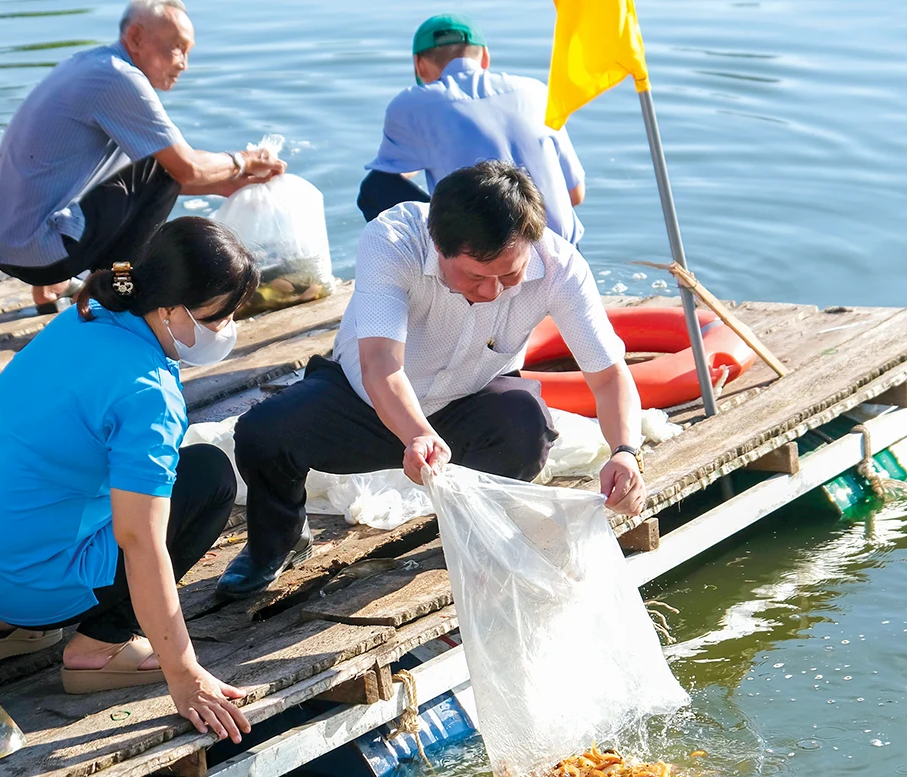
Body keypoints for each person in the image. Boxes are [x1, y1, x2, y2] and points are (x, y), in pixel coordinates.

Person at [218, 161, 645, 599]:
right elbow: (381, 363)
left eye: (510, 275)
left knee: (526, 423)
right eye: (477, 277)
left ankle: (477, 533)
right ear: (438, 245)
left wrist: (626, 452)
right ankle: (280, 541)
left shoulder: (561, 267)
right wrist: (418, 434)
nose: (493, 292)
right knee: (261, 433)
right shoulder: (393, 240)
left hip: (467, 403)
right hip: (364, 399)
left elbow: (609, 375)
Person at [0, 216, 257, 744]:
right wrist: (183, 675)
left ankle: (11, 620)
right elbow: (142, 544)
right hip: (31, 582)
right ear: (168, 310)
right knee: (208, 477)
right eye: (219, 315)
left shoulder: (83, 317)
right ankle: (98, 646)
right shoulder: (148, 393)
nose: (226, 328)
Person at [0, 0, 286, 315]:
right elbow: (184, 168)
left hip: (4, 244)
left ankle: (50, 291)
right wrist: (244, 160)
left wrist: (221, 185)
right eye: (176, 48)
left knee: (152, 166)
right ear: (136, 37)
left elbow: (150, 174)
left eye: (188, 52)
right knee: (161, 170)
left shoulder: (85, 65)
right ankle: (120, 295)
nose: (183, 64)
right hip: (40, 255)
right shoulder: (120, 79)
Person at [357, 13, 587, 246]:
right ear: (485, 57)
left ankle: (423, 277)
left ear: (419, 64)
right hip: (563, 254)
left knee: (375, 187)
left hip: (487, 259)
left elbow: (385, 181)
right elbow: (575, 195)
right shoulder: (536, 92)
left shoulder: (411, 104)